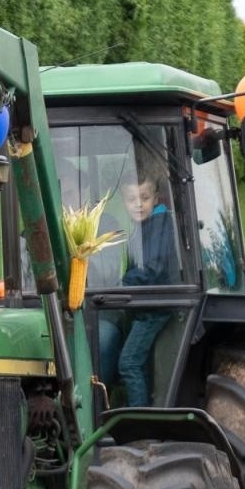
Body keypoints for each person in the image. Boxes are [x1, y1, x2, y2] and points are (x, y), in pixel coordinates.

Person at [98, 162, 179, 407]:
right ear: (124, 202)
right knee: (135, 361)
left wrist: (122, 284)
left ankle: (136, 418)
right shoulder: (142, 228)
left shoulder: (159, 224)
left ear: (155, 198)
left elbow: (151, 269)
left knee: (129, 363)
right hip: (144, 305)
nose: (138, 204)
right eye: (131, 199)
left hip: (154, 308)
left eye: (144, 198)